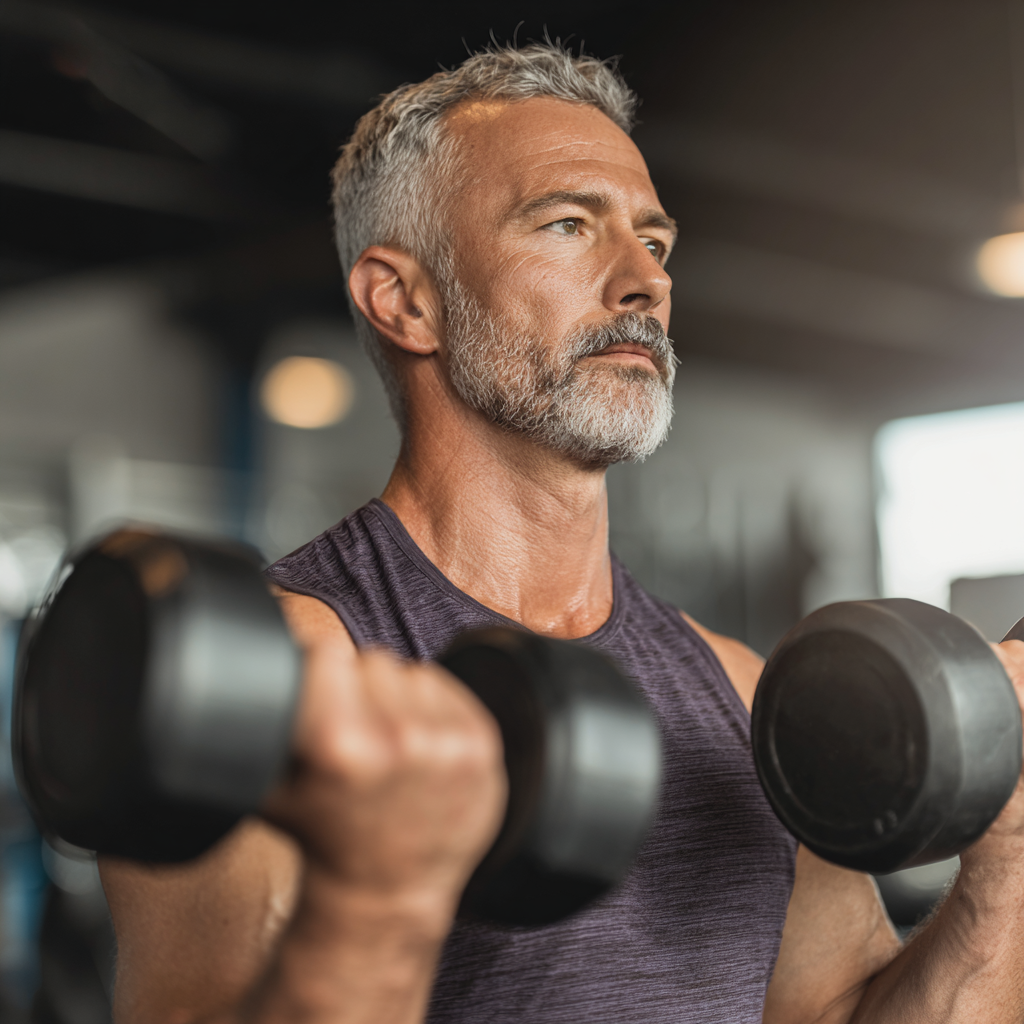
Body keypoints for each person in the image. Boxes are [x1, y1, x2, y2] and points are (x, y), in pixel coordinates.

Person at [99, 43, 1024, 1024]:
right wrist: (377, 894)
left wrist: (1007, 847)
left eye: (655, 242)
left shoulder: (741, 692)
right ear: (405, 300)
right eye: (568, 225)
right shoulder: (277, 679)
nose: (644, 281)